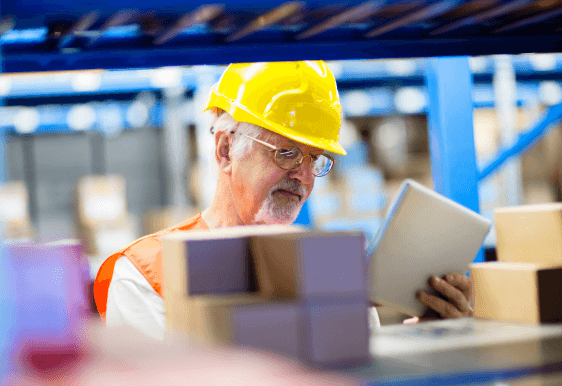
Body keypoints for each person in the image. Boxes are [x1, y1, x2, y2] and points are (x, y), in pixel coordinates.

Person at [94, 61, 473, 340]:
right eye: (286, 153)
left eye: (315, 159)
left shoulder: (333, 270)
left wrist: (428, 339)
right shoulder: (145, 277)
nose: (304, 177)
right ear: (226, 150)